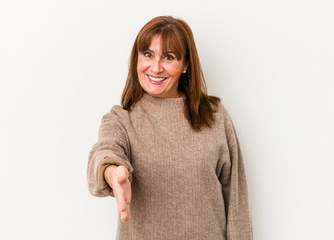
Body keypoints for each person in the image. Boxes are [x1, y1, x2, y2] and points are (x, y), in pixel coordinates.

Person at [87, 15, 253, 240]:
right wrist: (113, 171)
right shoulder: (121, 119)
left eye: (169, 57)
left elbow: (236, 200)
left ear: (185, 64)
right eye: (147, 54)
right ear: (136, 58)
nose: (155, 67)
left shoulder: (214, 115)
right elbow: (105, 151)